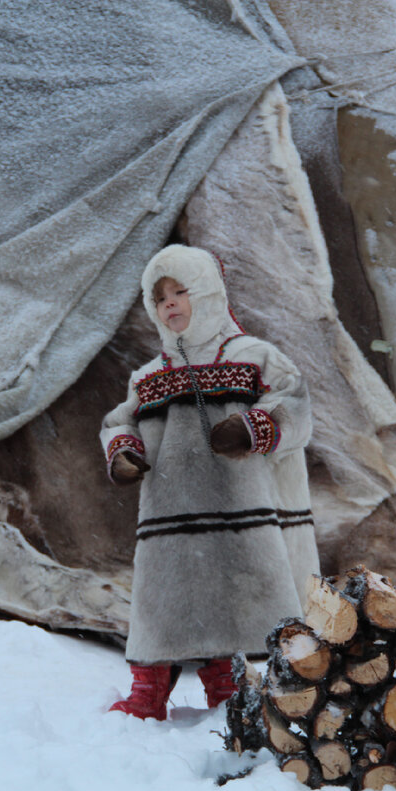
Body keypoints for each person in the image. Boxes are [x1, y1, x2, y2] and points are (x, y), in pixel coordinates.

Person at [101, 244, 320, 721]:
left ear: (209, 293)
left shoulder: (254, 356)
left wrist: (253, 427)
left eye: (181, 291)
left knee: (238, 590)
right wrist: (124, 451)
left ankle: (231, 679)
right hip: (167, 514)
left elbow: (294, 404)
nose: (171, 304)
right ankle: (148, 688)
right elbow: (120, 421)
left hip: (240, 507)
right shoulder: (149, 377)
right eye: (160, 299)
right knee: (161, 597)